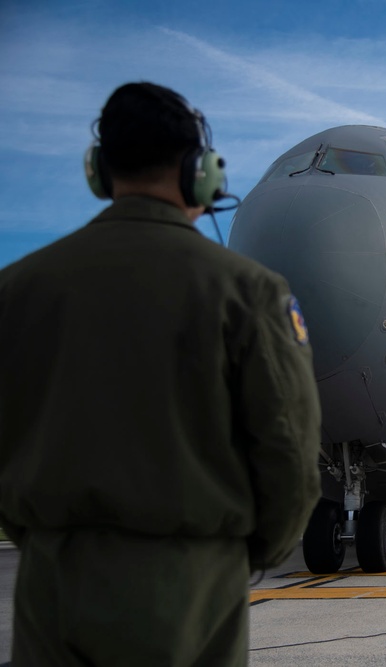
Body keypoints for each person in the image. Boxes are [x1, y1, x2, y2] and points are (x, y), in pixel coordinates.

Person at [0, 82, 321, 665]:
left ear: (99, 170)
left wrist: (50, 539)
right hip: (192, 583)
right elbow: (290, 450)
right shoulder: (248, 293)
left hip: (52, 583)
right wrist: (247, 552)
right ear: (201, 172)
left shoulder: (17, 289)